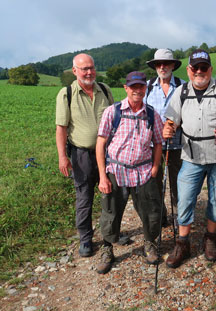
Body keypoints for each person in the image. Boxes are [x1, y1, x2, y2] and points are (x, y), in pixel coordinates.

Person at [162, 49, 216, 268]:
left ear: (210, 69)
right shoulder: (181, 92)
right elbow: (171, 120)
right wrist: (168, 129)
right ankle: (183, 242)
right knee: (185, 199)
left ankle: (210, 238)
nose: (199, 71)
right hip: (190, 156)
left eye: (203, 67)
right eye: (195, 67)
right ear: (188, 70)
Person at [95, 71, 164, 274]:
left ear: (145, 89)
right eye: (133, 87)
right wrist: (102, 175)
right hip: (116, 170)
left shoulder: (151, 114)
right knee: (110, 212)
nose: (137, 90)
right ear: (126, 88)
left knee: (150, 210)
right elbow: (101, 143)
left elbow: (158, 142)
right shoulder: (112, 112)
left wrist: (155, 167)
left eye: (141, 86)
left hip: (143, 171)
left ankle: (149, 244)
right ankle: (107, 249)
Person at [55, 53, 114, 257]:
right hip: (81, 154)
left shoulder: (105, 90)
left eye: (91, 67)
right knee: (84, 197)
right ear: (75, 71)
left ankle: (111, 233)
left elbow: (116, 118)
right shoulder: (66, 94)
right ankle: (86, 239)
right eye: (84, 69)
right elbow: (61, 128)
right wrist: (63, 157)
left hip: (107, 153)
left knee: (110, 193)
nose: (89, 72)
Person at [146, 49, 186, 227]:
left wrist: (174, 125)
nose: (162, 67)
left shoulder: (183, 86)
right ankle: (159, 214)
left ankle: (178, 215)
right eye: (159, 64)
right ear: (155, 66)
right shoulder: (147, 87)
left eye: (166, 64)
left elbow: (191, 113)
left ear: (172, 66)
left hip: (177, 144)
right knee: (154, 181)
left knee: (178, 181)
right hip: (153, 145)